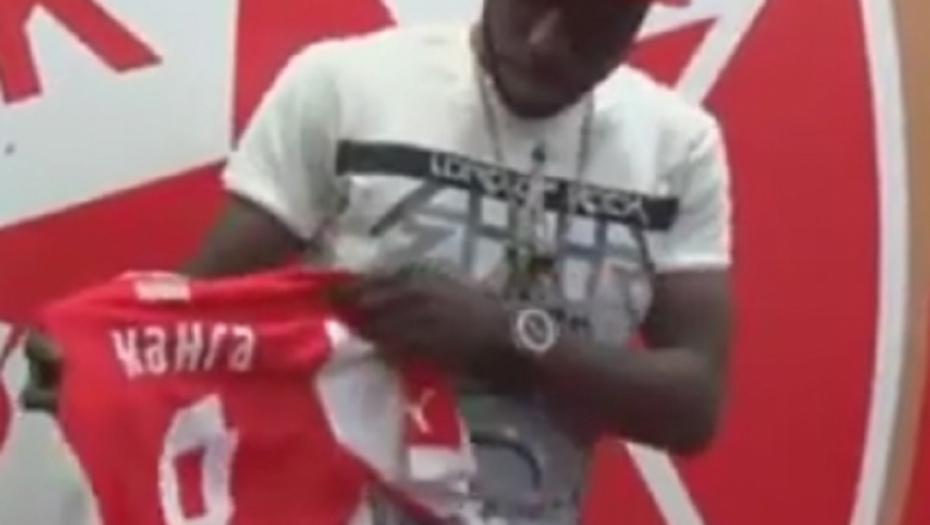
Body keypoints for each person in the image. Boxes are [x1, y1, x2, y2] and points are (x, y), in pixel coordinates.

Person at [184, 0, 733, 523]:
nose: (543, 42)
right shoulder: (345, 87)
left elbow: (691, 407)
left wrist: (506, 337)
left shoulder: (676, 147)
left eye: (591, 21)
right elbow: (189, 334)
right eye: (530, 3)